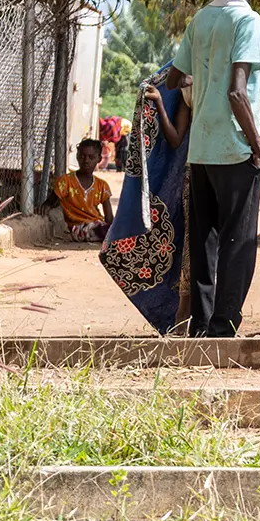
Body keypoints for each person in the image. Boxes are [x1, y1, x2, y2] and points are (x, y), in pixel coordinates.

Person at [166, 0, 260, 337]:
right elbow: (238, 92)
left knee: (204, 241)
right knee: (238, 241)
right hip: (235, 146)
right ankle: (223, 328)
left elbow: (174, 78)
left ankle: (200, 325)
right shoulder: (248, 20)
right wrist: (257, 145)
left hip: (201, 148)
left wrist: (200, 80)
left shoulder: (200, 19)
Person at [100, 66, 192, 333]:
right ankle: (183, 317)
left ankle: (201, 318)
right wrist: (161, 103)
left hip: (222, 174)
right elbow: (175, 139)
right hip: (194, 177)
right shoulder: (190, 91)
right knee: (190, 248)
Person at [47, 138, 114, 243]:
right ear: (77, 157)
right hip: (77, 227)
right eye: (82, 156)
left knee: (114, 229)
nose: (86, 161)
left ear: (99, 159)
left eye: (91, 157)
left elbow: (109, 217)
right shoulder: (66, 181)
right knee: (101, 231)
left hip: (97, 224)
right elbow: (51, 201)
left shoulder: (102, 185)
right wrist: (46, 206)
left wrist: (113, 228)